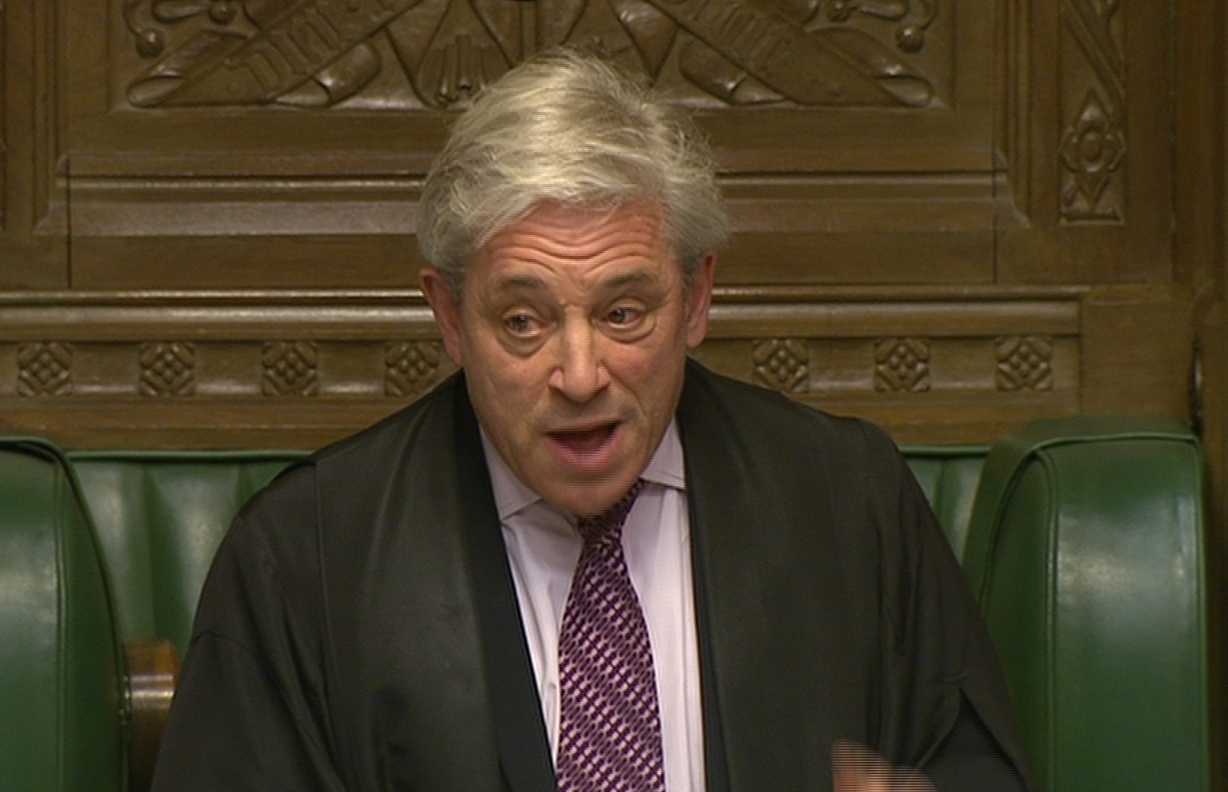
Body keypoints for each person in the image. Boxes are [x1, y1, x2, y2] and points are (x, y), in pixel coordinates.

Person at [151, 48, 1034, 792]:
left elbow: (970, 765)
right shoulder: (304, 557)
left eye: (622, 313)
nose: (580, 375)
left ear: (696, 297)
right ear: (450, 318)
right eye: (523, 321)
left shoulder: (846, 499)